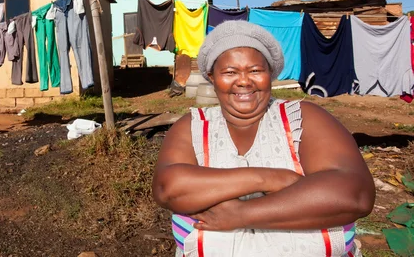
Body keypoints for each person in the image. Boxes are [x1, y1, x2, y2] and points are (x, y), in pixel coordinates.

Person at [152, 20, 375, 257]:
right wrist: (268, 179)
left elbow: (355, 195)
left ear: (270, 74)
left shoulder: (304, 118)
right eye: (230, 72)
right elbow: (168, 188)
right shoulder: (192, 126)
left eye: (255, 70)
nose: (244, 81)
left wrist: (242, 215)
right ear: (211, 77)